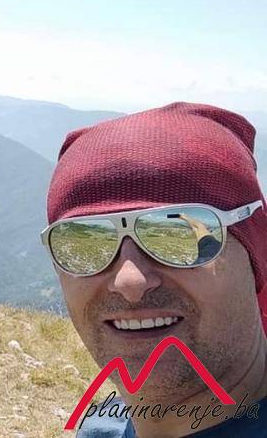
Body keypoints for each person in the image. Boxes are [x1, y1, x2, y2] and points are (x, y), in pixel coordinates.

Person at [42, 102, 267, 437]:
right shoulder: (101, 428)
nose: (129, 281)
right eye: (85, 239)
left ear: (257, 252)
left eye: (178, 234)